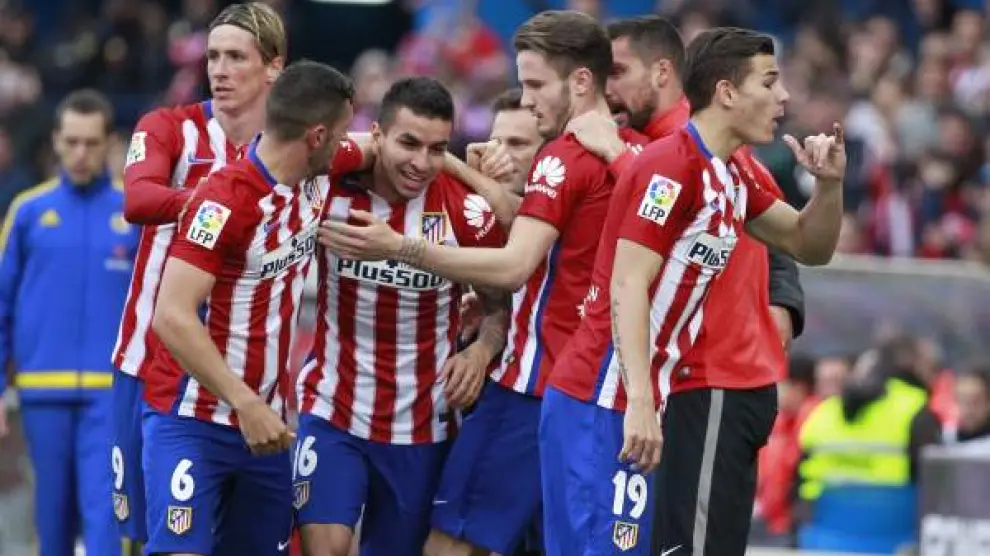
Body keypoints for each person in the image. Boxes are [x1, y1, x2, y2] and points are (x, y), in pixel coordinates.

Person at [321, 10, 649, 556]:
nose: (529, 101)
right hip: (604, 387)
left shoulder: (566, 156)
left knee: (449, 546)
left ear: (580, 82)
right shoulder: (637, 157)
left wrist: (399, 246)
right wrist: (459, 169)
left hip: (531, 384)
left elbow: (515, 265)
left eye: (536, 85)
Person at [541, 27, 846, 556]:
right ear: (726, 92)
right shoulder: (670, 166)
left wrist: (829, 186)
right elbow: (628, 282)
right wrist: (639, 401)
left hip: (642, 401)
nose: (783, 97)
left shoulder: (733, 175)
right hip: (601, 399)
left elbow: (808, 244)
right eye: (769, 82)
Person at [142, 60, 360, 556]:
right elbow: (172, 315)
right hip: (192, 420)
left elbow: (383, 147)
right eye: (340, 134)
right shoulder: (224, 201)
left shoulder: (319, 172)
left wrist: (468, 165)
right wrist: (246, 403)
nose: (347, 144)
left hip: (265, 433)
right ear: (317, 136)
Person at [295, 76, 508, 556]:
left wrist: (481, 351)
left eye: (437, 149)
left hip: (423, 426)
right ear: (377, 136)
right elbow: (291, 151)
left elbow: (501, 304)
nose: (421, 163)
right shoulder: (330, 190)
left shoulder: (463, 209)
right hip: (332, 409)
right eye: (408, 144)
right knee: (325, 547)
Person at [110, 3, 287, 550]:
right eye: (213, 56)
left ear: (274, 66)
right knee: (147, 535)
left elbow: (368, 149)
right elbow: (138, 199)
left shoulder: (290, 149)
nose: (219, 70)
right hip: (148, 367)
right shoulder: (171, 127)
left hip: (246, 379)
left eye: (236, 57)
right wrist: (218, 203)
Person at [0, 89, 137, 556]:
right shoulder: (27, 212)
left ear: (109, 144)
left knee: (107, 525)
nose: (81, 153)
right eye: (72, 141)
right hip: (42, 391)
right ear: (56, 141)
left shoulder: (134, 214)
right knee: (51, 526)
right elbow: (1, 303)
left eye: (91, 143)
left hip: (111, 395)